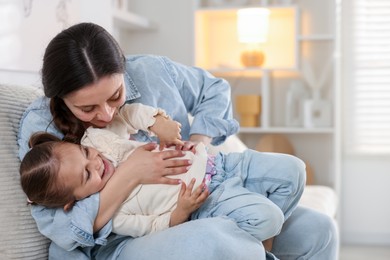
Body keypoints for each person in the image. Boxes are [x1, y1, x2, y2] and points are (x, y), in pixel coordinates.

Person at [18, 22, 339, 259]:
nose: (105, 114)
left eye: (116, 96)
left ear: (123, 70)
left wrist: (198, 141)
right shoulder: (41, 125)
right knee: (221, 241)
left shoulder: (151, 72)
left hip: (206, 191)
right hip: (128, 237)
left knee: (319, 230)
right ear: (60, 99)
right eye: (86, 108)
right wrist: (131, 173)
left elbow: (213, 90)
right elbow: (59, 228)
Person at [20, 100, 305, 246]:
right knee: (270, 218)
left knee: (294, 169)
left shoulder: (97, 141)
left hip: (222, 163)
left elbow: (125, 115)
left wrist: (156, 122)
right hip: (209, 199)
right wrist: (182, 210)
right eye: (86, 176)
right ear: (73, 200)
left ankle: (265, 237)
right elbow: (157, 227)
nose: (96, 163)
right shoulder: (115, 215)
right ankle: (263, 240)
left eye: (84, 155)